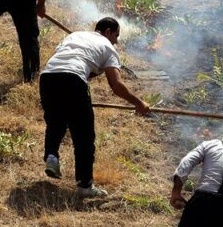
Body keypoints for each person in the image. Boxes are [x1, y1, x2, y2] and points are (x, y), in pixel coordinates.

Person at [39, 17, 151, 197]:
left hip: (48, 77)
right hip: (74, 79)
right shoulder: (109, 48)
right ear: (108, 32)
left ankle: (52, 156)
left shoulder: (75, 35)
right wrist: (139, 103)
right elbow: (116, 85)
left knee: (56, 121)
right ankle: (85, 186)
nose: (116, 40)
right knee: (84, 135)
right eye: (116, 35)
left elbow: (70, 61)